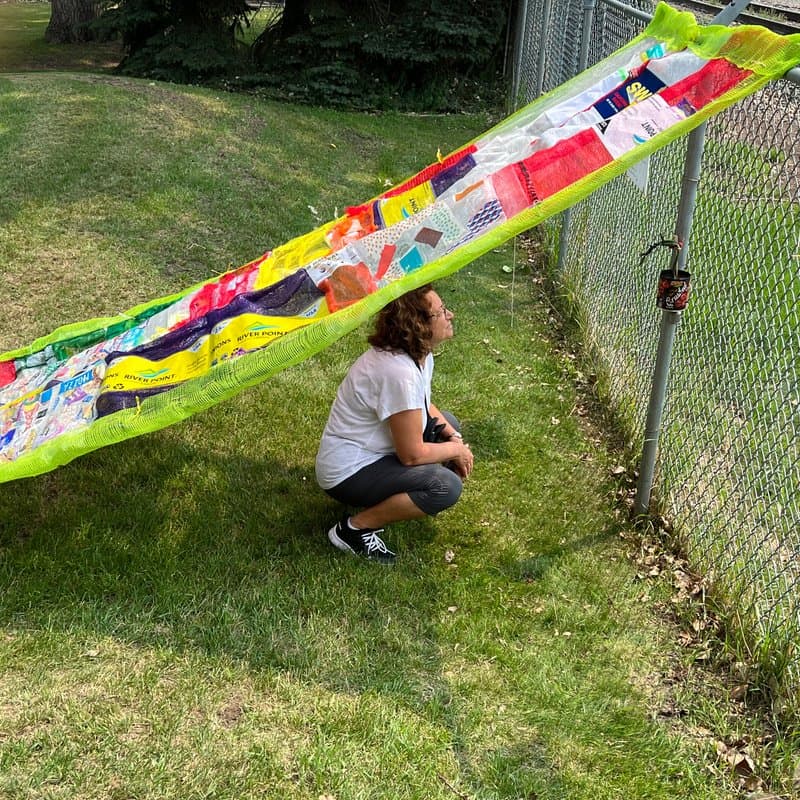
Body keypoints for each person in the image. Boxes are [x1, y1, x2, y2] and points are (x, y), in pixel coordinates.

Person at [315, 284, 474, 564]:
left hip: (374, 454)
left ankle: (403, 498)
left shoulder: (418, 357)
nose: (451, 314)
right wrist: (455, 451)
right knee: (444, 487)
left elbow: (422, 404)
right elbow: (411, 455)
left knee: (448, 422)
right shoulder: (397, 372)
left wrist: (454, 437)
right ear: (419, 326)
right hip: (347, 472)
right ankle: (354, 529)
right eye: (441, 313)